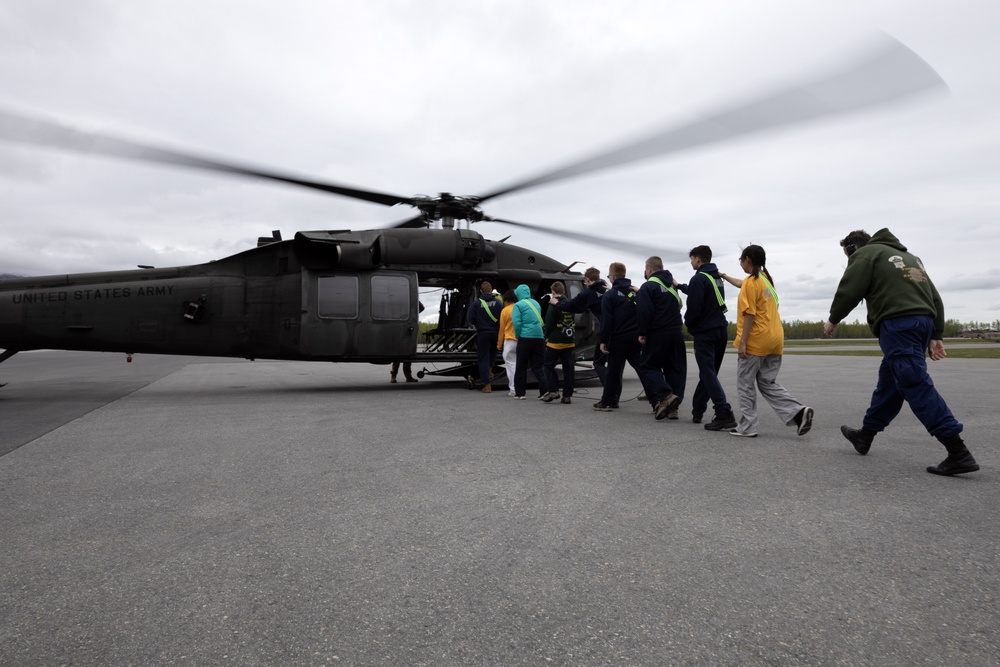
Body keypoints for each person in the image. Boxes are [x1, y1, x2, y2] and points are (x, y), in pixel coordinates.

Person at [824, 228, 979, 476]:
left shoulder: (866, 254)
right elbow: (935, 297)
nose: (848, 261)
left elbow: (850, 288)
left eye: (847, 255)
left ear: (853, 248)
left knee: (914, 383)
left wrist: (833, 319)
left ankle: (957, 451)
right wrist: (936, 334)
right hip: (921, 323)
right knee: (891, 382)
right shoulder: (910, 258)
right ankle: (866, 435)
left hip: (898, 324)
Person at [731, 244, 814, 438]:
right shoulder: (766, 280)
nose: (741, 264)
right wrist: (724, 276)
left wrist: (742, 342)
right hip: (775, 339)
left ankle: (748, 426)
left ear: (748, 259)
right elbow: (742, 283)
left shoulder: (751, 283)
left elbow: (749, 314)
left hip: (756, 341)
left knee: (745, 383)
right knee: (767, 383)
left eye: (741, 260)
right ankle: (798, 412)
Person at [675, 245, 736, 430]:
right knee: (709, 372)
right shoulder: (716, 278)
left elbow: (694, 308)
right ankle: (698, 409)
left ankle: (723, 411)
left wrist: (690, 326)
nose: (691, 262)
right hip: (720, 331)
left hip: (705, 332)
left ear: (698, 259)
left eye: (692, 259)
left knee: (707, 372)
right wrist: (679, 286)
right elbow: (702, 293)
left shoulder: (698, 278)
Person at [635, 256, 684, 420]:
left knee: (647, 366)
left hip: (657, 332)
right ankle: (673, 408)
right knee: (674, 369)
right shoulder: (672, 287)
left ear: (649, 269)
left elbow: (644, 312)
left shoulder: (648, 287)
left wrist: (642, 333)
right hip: (676, 332)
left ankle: (666, 395)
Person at [593, 263, 643, 412]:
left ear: (613, 277)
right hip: (635, 339)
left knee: (613, 372)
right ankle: (657, 400)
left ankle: (607, 401)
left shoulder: (610, 295)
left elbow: (606, 321)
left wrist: (603, 340)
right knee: (642, 369)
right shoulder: (635, 293)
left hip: (618, 339)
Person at [549, 267, 609, 386]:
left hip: (606, 330)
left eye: (585, 282)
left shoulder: (588, 293)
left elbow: (573, 306)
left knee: (598, 362)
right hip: (620, 328)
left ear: (587, 279)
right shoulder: (607, 290)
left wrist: (557, 303)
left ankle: (610, 392)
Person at [540, 281, 575, 404]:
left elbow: (549, 322)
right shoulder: (570, 303)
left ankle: (554, 390)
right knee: (568, 368)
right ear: (564, 291)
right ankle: (567, 396)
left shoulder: (553, 304)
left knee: (548, 366)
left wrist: (547, 335)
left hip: (555, 341)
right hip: (569, 340)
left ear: (553, 292)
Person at [511, 283, 546, 400]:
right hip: (539, 337)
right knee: (538, 366)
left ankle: (520, 393)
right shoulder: (536, 304)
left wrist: (518, 336)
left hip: (525, 338)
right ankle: (544, 391)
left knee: (521, 366)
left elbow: (516, 323)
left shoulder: (518, 305)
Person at [467, 281, 503, 393]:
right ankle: (490, 370)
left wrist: (479, 323)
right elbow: (502, 317)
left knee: (483, 358)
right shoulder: (498, 303)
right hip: (495, 333)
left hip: (483, 333)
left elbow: (470, 318)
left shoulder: (476, 304)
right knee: (493, 353)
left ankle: (487, 384)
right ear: (492, 291)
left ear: (481, 291)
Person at [496, 290, 519, 397]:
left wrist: (499, 344)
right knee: (519, 365)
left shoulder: (505, 310)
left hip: (510, 340)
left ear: (506, 300)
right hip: (522, 340)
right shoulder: (520, 308)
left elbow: (502, 329)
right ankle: (521, 387)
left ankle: (513, 389)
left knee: (510, 364)